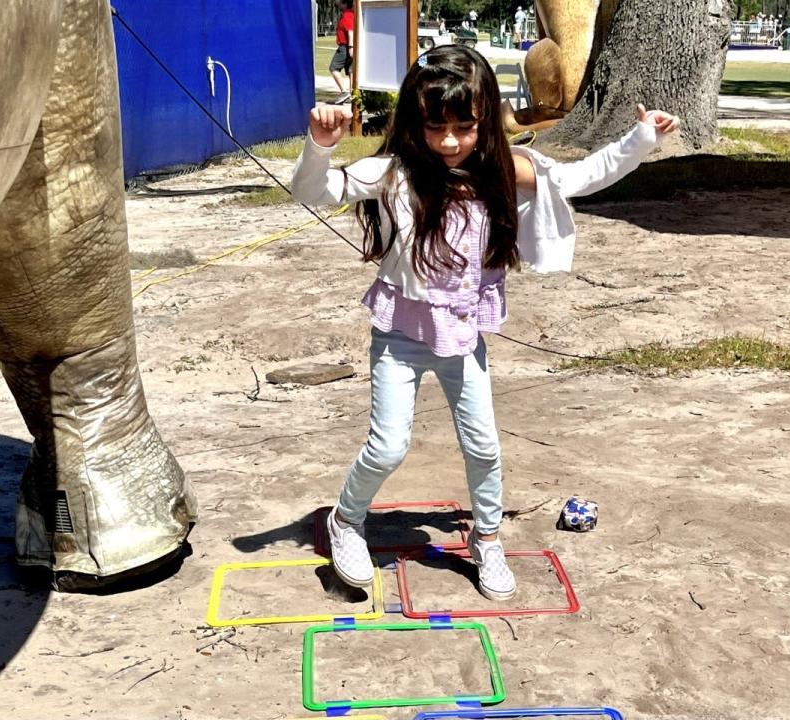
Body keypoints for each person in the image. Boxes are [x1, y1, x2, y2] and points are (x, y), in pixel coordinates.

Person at [291, 45, 679, 600]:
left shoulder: (506, 171)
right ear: (414, 122)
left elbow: (583, 176)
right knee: (388, 446)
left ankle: (488, 540)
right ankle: (346, 521)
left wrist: (641, 139)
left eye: (464, 126)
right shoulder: (395, 172)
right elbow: (311, 191)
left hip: (463, 336)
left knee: (484, 446)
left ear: (485, 120)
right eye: (436, 126)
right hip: (400, 334)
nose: (449, 141)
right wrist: (320, 145)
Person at [329, 0, 354, 102]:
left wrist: (351, 47)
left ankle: (344, 92)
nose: (337, 4)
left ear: (344, 3)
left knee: (333, 68)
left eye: (339, 2)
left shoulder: (347, 14)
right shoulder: (351, 13)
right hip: (348, 46)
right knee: (350, 71)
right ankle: (353, 95)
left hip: (344, 46)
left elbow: (350, 32)